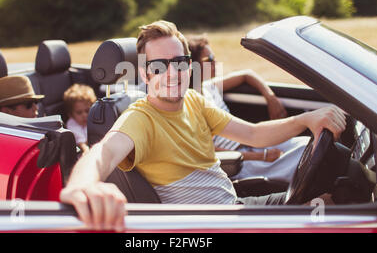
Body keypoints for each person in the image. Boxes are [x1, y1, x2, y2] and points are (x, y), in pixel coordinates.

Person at [59, 20, 346, 231]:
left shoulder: (194, 101)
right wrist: (82, 186)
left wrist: (307, 119)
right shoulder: (140, 118)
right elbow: (104, 152)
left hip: (234, 209)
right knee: (329, 212)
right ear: (146, 75)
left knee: (335, 199)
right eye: (159, 66)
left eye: (180, 62)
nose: (172, 72)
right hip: (210, 226)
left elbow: (253, 134)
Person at [187, 35, 308, 183]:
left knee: (307, 146)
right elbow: (208, 150)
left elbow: (246, 74)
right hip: (236, 161)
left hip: (251, 145)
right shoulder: (190, 104)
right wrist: (262, 156)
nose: (215, 63)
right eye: (209, 60)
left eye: (214, 57)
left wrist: (271, 98)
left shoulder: (209, 86)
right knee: (303, 163)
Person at [63, 83, 97, 155]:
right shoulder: (72, 124)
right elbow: (81, 142)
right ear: (70, 114)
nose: (85, 115)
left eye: (87, 110)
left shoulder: (94, 118)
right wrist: (86, 150)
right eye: (79, 112)